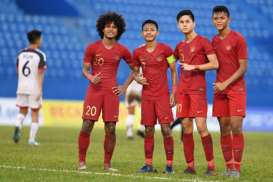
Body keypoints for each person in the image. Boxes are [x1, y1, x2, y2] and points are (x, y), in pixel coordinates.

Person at [78, 12, 135, 171]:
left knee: (111, 128)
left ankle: (107, 164)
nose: (111, 29)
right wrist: (90, 77)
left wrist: (124, 86)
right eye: (108, 26)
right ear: (102, 28)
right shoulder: (92, 47)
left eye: (114, 27)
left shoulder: (123, 50)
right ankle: (82, 162)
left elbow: (135, 70)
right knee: (87, 125)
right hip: (94, 92)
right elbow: (85, 70)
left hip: (111, 93)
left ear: (119, 30)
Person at [174, 10, 219, 175]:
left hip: (197, 91)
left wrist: (195, 67)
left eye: (187, 21)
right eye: (181, 22)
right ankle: (190, 166)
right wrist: (158, 56)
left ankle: (211, 166)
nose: (184, 24)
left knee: (201, 127)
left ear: (194, 23)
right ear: (178, 26)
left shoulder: (203, 42)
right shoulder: (179, 46)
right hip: (182, 92)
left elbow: (215, 63)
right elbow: (170, 59)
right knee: (186, 127)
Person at [133, 19, 177, 173]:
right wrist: (138, 78)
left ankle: (169, 165)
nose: (149, 32)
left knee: (166, 129)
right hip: (147, 96)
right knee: (148, 130)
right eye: (146, 30)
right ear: (142, 33)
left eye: (152, 29)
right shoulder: (137, 52)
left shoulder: (167, 50)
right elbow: (135, 71)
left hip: (163, 96)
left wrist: (174, 92)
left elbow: (173, 70)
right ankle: (148, 164)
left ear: (157, 32)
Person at [212, 5, 248, 178]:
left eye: (222, 18)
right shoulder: (214, 41)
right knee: (224, 129)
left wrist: (225, 83)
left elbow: (243, 68)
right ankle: (229, 167)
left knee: (236, 127)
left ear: (229, 19)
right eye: (216, 18)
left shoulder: (238, 39)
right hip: (220, 90)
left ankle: (237, 168)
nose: (219, 21)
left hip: (235, 88)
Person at [13, 29, 46, 146]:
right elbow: (40, 73)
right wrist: (39, 90)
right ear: (37, 39)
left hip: (21, 86)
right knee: (35, 113)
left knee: (22, 110)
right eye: (41, 38)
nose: (42, 40)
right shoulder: (40, 55)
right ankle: (31, 140)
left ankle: (18, 125)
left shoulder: (20, 54)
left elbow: (18, 71)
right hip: (34, 87)